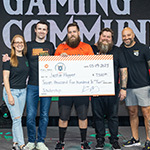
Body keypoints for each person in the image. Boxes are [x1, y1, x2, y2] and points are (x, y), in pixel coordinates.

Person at [3, 21, 55, 150]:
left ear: (47, 32)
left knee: (44, 115)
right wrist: (7, 57)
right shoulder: (29, 46)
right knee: (30, 115)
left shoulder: (50, 46)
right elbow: (18, 56)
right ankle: (31, 141)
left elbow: (56, 63)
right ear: (35, 31)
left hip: (47, 87)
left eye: (44, 29)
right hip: (31, 86)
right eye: (39, 29)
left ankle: (41, 141)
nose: (42, 31)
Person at [54, 22, 94, 150]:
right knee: (63, 117)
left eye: (74, 32)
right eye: (70, 32)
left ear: (78, 33)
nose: (72, 34)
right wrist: (60, 58)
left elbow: (93, 67)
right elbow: (53, 68)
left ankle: (84, 142)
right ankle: (61, 142)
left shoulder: (87, 47)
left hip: (82, 90)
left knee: (83, 117)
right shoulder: (61, 47)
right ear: (67, 34)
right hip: (65, 90)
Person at [91, 28, 128, 150]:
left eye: (108, 37)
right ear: (99, 37)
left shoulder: (117, 51)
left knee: (113, 116)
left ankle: (114, 140)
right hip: (96, 90)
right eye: (103, 36)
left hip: (112, 90)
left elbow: (123, 69)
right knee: (98, 116)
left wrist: (123, 88)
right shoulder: (92, 49)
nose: (105, 39)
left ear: (112, 39)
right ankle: (100, 140)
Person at [121, 27, 150, 150]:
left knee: (147, 114)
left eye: (128, 35)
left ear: (133, 35)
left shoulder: (144, 48)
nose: (126, 38)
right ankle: (135, 139)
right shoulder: (120, 50)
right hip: (129, 88)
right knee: (132, 113)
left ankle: (149, 140)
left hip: (144, 86)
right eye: (124, 36)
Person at [3, 35, 29, 150]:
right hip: (11, 91)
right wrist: (9, 95)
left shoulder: (25, 58)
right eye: (17, 42)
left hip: (23, 91)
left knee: (16, 118)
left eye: (21, 42)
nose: (19, 44)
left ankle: (15, 144)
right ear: (13, 45)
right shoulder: (8, 60)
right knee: (17, 118)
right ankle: (22, 144)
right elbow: (5, 79)